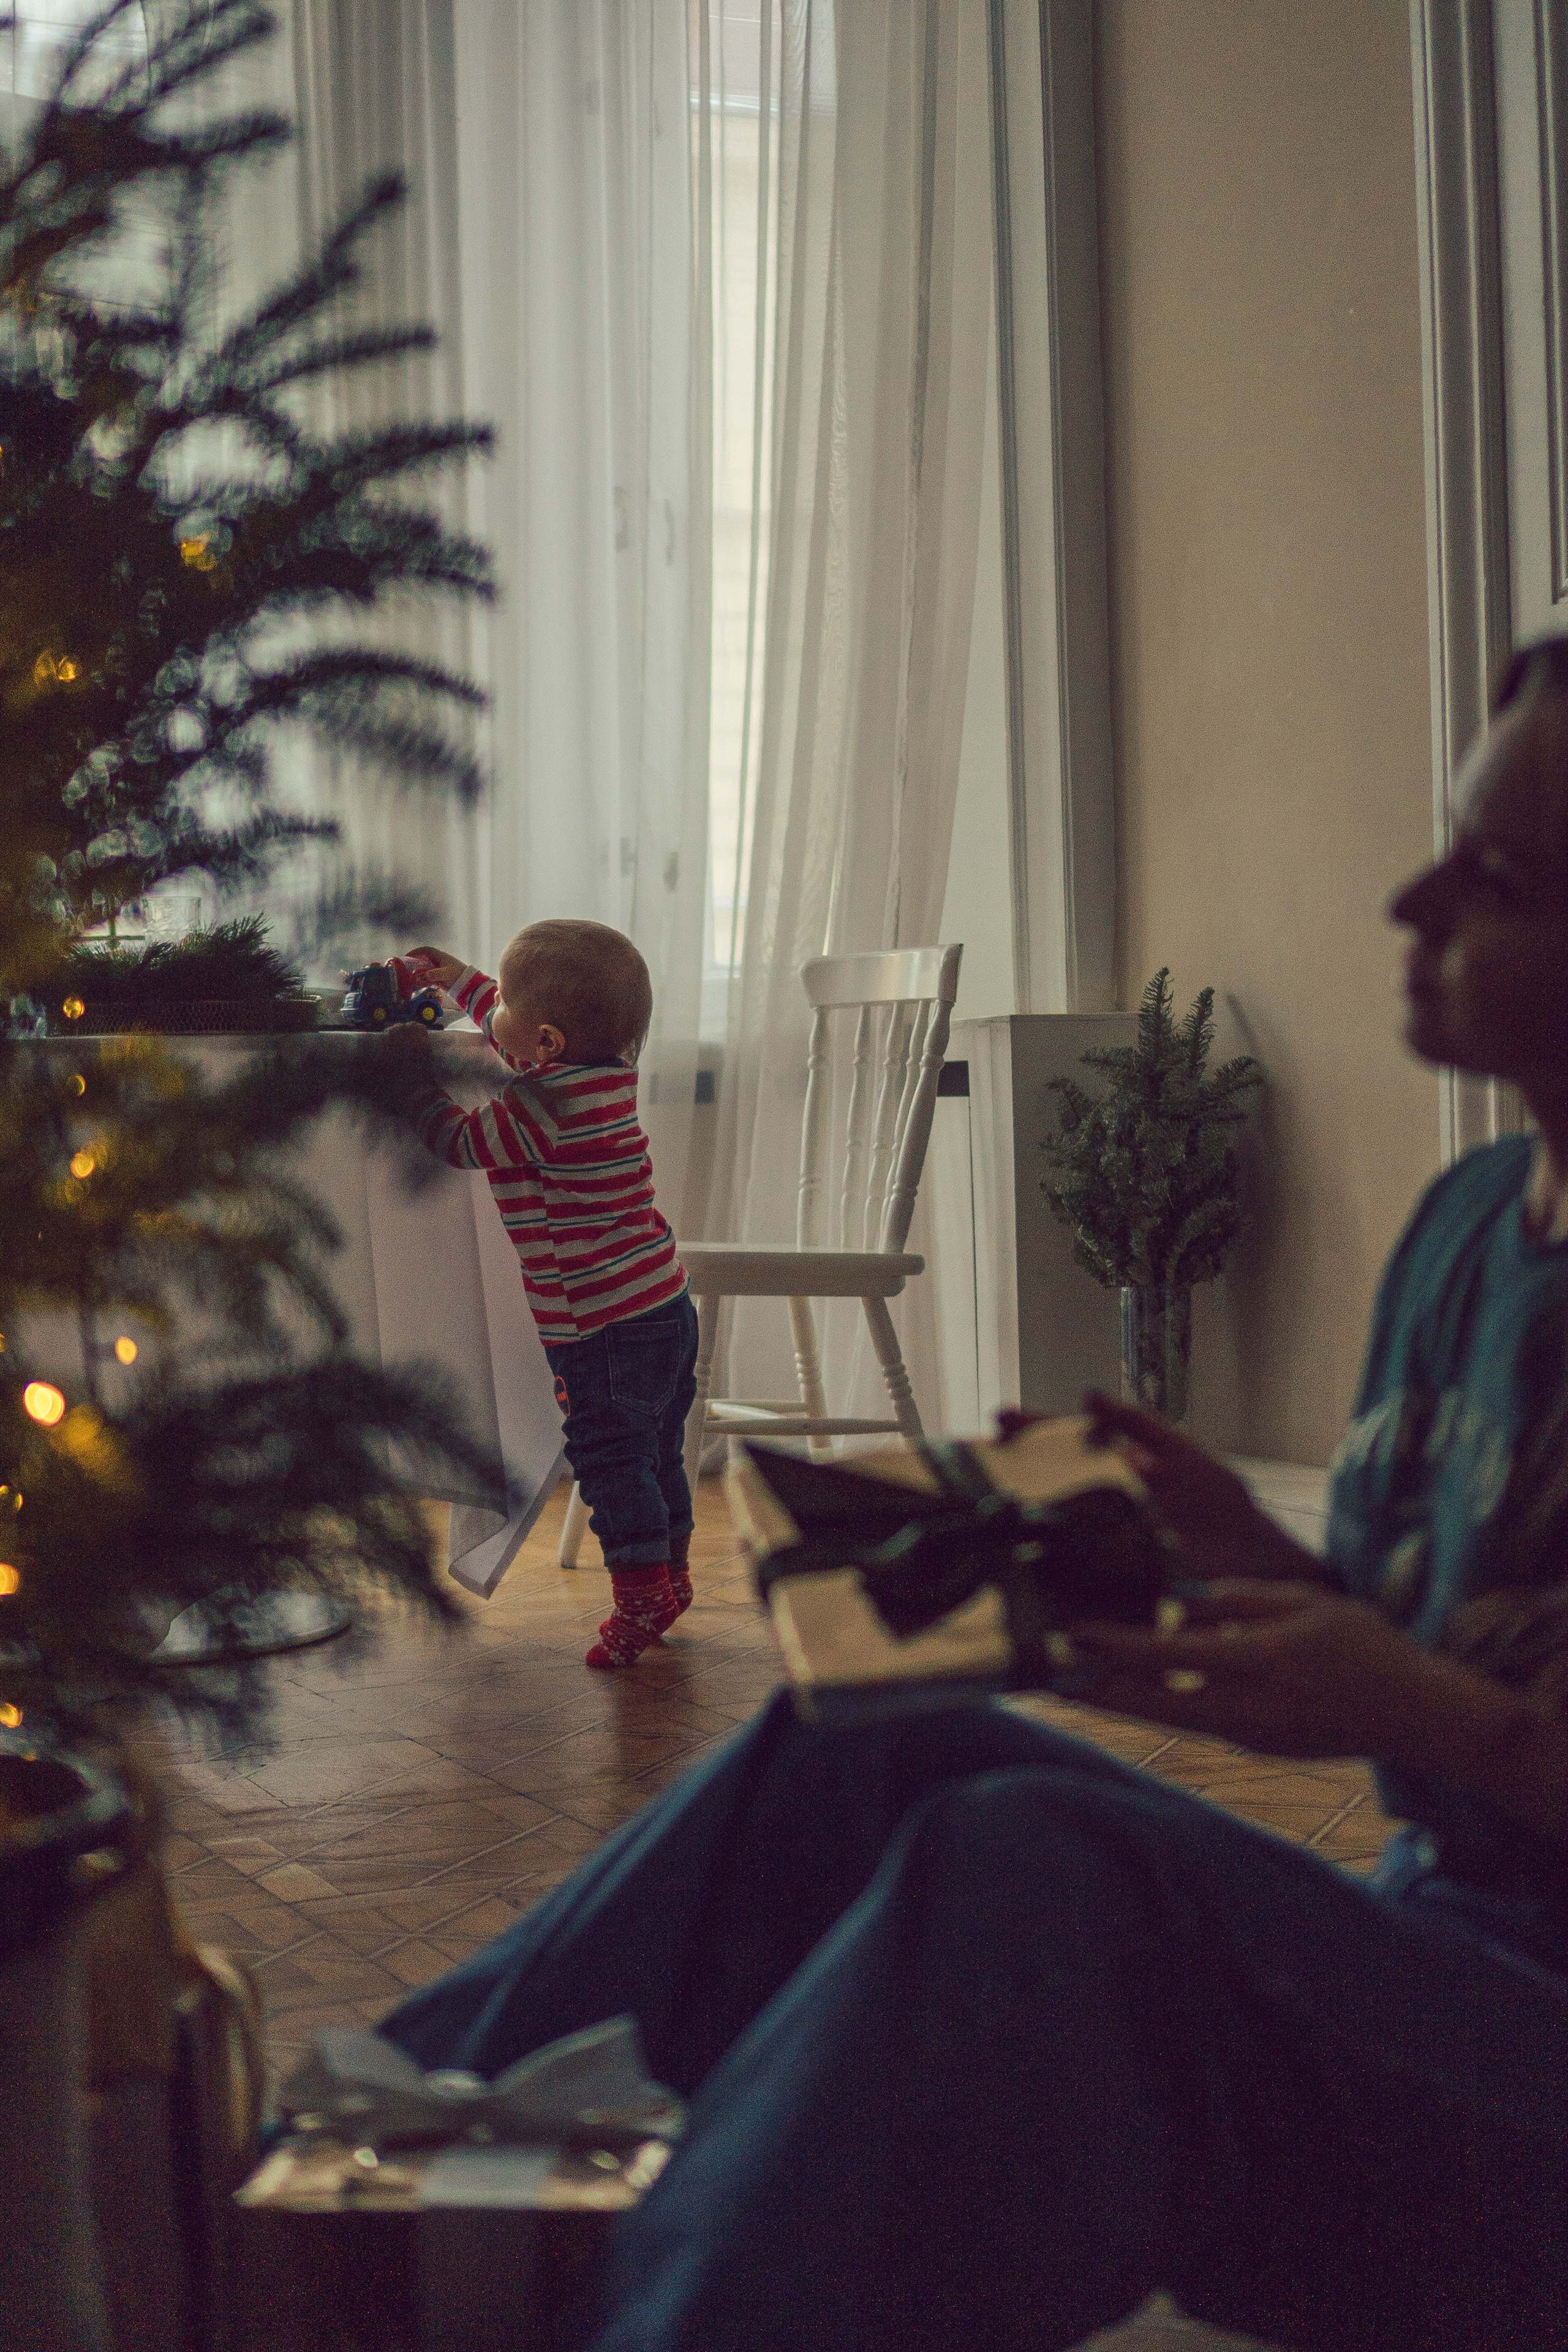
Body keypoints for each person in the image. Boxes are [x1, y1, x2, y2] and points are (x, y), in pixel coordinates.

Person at [380, 648, 1568, 2350]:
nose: (1412, 898)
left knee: (1045, 1866)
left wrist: (1433, 1717)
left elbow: (1465, 1715)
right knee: (863, 1738)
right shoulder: (1470, 1227)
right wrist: (1248, 1551)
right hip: (1425, 1959)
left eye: (1497, 877)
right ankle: (351, 2187)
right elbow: (1470, 1647)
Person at [396, 921, 698, 1668]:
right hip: (663, 1303)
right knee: (657, 1453)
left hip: (603, 1326)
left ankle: (640, 1593)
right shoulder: (598, 1077)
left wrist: (409, 1084)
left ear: (548, 1043)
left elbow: (462, 1142)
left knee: (610, 1460)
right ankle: (670, 1572)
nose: (492, 1013)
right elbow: (518, 1034)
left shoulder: (542, 1108)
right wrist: (463, 982)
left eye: (501, 1005)